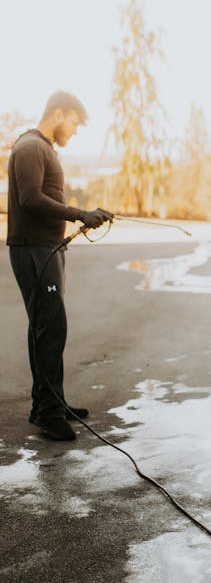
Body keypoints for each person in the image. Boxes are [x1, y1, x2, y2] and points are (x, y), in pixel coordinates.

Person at [6, 90, 113, 441]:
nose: (75, 131)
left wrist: (85, 215)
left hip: (46, 248)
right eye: (75, 123)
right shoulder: (30, 148)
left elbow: (45, 198)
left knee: (47, 326)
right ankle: (49, 413)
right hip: (34, 250)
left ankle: (50, 403)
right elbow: (30, 198)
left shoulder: (42, 149)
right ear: (59, 113)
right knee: (50, 328)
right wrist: (79, 213)